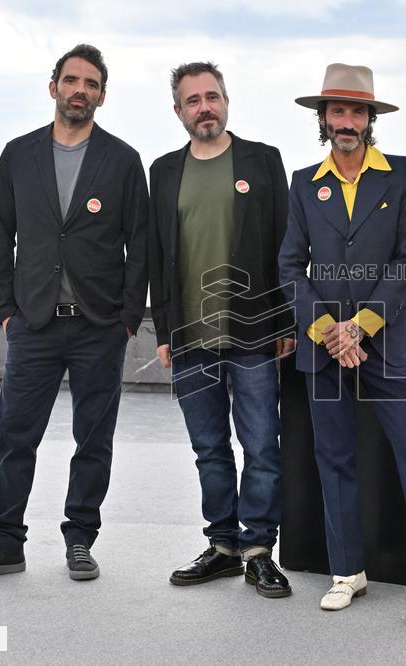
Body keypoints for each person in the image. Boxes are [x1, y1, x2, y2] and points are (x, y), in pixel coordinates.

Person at [278, 63, 406, 627]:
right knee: (334, 457)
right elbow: (290, 266)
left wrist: (360, 326)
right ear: (323, 119)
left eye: (357, 111)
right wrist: (328, 331)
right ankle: (348, 572)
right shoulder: (303, 182)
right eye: (337, 111)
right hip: (324, 348)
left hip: (386, 343)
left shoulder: (401, 174)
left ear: (371, 119)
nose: (347, 121)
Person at [0, 44, 148, 582]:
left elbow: (140, 243)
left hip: (98, 325)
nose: (79, 90)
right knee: (15, 434)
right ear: (53, 87)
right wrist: (5, 309)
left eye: (90, 83)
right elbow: (0, 236)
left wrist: (129, 318)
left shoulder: (123, 160)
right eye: (71, 80)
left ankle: (80, 538)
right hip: (33, 323)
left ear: (102, 95)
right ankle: (5, 541)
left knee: (94, 439)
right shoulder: (18, 155)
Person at [148, 62, 294, 598]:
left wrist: (286, 321)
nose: (204, 107)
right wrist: (163, 330)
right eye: (193, 100)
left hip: (254, 333)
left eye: (212, 96)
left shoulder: (262, 159)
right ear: (179, 111)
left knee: (260, 445)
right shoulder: (163, 170)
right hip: (189, 337)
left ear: (227, 101)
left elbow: (284, 246)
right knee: (209, 449)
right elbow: (156, 256)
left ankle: (259, 551)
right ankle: (223, 546)